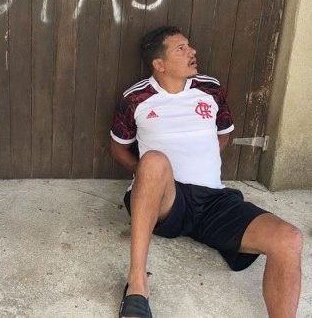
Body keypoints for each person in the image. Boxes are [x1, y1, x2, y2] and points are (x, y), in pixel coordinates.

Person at [110, 26, 302, 317]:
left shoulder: (210, 89)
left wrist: (201, 163)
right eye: (181, 49)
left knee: (289, 238)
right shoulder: (135, 98)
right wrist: (149, 180)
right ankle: (137, 284)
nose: (192, 52)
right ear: (159, 64)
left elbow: (223, 135)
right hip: (168, 201)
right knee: (154, 161)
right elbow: (118, 148)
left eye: (189, 45)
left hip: (214, 201)